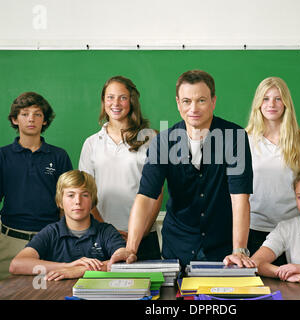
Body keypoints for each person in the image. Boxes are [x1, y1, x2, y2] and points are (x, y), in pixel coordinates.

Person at [109, 70, 255, 268]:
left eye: (201, 100)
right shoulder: (162, 141)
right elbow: (146, 196)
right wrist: (131, 248)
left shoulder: (234, 137)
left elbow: (239, 197)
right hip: (177, 250)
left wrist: (239, 250)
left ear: (213, 101)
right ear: (178, 103)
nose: (193, 108)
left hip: (224, 252)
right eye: (187, 101)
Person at [79, 76, 162, 260]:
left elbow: (157, 193)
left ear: (131, 102)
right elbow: (86, 192)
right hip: (100, 236)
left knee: (150, 288)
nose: (115, 103)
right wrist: (107, 231)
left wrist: (140, 233)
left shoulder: (150, 139)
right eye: (110, 97)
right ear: (103, 101)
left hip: (144, 237)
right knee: (102, 289)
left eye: (122, 97)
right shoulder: (91, 143)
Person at [0, 92, 73, 280]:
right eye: (24, 114)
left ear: (45, 121)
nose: (31, 119)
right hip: (9, 239)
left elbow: (67, 203)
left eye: (37, 114)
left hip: (49, 240)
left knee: (49, 292)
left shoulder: (59, 156)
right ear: (15, 120)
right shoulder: (3, 156)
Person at [9, 170, 126, 281]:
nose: (78, 201)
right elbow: (16, 265)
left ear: (93, 201)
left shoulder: (106, 231)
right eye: (71, 195)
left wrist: (80, 271)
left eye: (84, 195)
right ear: (60, 202)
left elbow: (124, 261)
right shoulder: (51, 232)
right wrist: (67, 266)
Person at [245, 77, 300, 263]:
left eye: (278, 98)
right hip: (254, 227)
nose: (271, 104)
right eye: (266, 99)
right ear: (258, 103)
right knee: (256, 287)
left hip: (293, 229)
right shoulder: (245, 140)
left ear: (286, 103)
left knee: (293, 286)